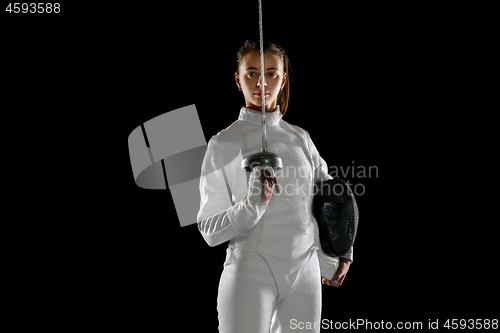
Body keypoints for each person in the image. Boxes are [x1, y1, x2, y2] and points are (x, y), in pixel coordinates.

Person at [197, 40, 353, 333]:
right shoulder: (223, 143)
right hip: (250, 273)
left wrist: (343, 250)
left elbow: (331, 199)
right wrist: (251, 205)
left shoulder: (300, 139)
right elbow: (208, 229)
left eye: (271, 73)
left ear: (283, 79)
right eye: (252, 73)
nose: (262, 82)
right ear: (237, 79)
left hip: (304, 274)